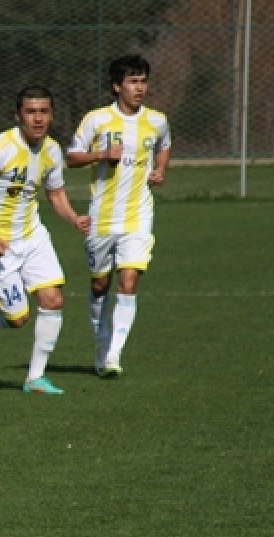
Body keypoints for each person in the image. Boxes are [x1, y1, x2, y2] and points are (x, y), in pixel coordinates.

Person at [0, 86, 90, 395]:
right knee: (17, 319)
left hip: (33, 236)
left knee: (53, 300)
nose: (38, 119)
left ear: (51, 115)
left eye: (44, 112)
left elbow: (55, 194)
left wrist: (73, 218)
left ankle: (35, 379)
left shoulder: (52, 150)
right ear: (18, 116)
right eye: (31, 112)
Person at [66, 55, 171, 378]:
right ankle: (101, 345)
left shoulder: (157, 120)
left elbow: (164, 145)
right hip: (102, 215)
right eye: (132, 82)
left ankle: (114, 354)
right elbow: (71, 157)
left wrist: (160, 169)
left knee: (128, 281)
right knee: (100, 284)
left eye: (143, 81)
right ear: (116, 86)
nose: (140, 88)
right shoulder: (97, 120)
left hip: (139, 214)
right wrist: (101, 154)